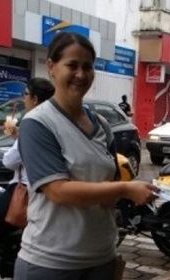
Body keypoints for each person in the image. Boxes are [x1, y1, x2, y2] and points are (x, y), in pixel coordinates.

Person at [14, 32, 156, 280]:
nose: (81, 74)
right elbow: (58, 191)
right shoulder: (38, 123)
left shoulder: (101, 125)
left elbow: (109, 187)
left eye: (88, 67)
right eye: (72, 65)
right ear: (51, 67)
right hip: (51, 263)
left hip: (101, 257)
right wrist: (125, 189)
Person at [0, 77, 55, 280]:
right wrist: (17, 138)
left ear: (35, 98)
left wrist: (17, 142)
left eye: (25, 94)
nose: (23, 99)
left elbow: (9, 161)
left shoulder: (34, 122)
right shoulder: (55, 121)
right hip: (48, 192)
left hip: (24, 190)